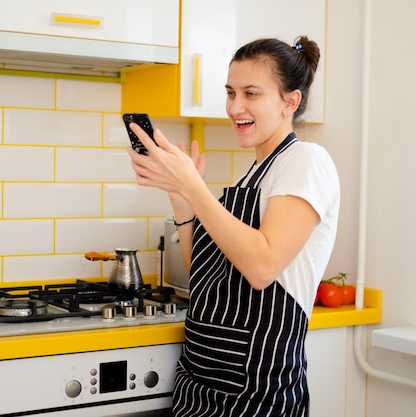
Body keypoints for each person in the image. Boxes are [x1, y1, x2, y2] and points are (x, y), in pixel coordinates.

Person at [127, 35, 340, 417]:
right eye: (230, 92)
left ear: (290, 101)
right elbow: (206, 277)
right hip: (199, 385)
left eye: (251, 93)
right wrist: (182, 200)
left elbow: (261, 268)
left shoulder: (306, 161)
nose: (235, 106)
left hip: (256, 394)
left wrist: (194, 186)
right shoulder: (253, 175)